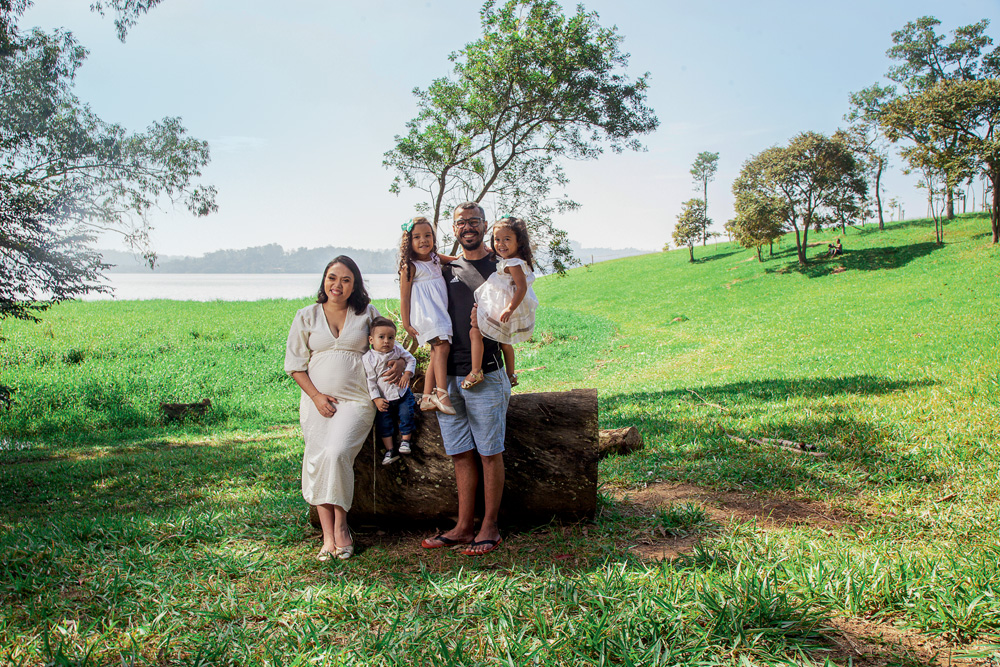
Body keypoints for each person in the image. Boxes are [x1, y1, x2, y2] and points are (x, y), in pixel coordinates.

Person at [285, 256, 404, 561]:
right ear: (324, 281)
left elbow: (392, 345)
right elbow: (295, 366)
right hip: (317, 402)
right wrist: (316, 397)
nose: (337, 285)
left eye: (346, 279)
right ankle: (327, 536)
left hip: (358, 400)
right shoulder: (306, 316)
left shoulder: (366, 314)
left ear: (355, 284)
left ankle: (341, 529)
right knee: (318, 458)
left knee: (337, 452)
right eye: (332, 278)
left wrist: (401, 362)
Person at [420, 202, 510, 556]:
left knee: (490, 453)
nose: (468, 227)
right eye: (461, 222)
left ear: (485, 226)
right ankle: (462, 526)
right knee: (460, 454)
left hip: (485, 373)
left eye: (474, 221)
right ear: (454, 229)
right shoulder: (445, 269)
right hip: (449, 378)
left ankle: (489, 526)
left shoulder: (500, 266)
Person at [462, 216, 538, 390]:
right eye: (497, 239)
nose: (501, 244)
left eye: (507, 239)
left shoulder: (514, 263)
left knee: (475, 332)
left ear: (519, 242)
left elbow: (522, 287)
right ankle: (511, 375)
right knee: (505, 342)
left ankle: (475, 371)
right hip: (504, 304)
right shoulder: (512, 259)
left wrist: (509, 308)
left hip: (504, 306)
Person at [398, 216, 457, 415]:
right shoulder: (410, 266)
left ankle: (425, 398)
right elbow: (404, 298)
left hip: (439, 312)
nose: (423, 240)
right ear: (409, 242)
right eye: (417, 237)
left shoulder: (434, 258)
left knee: (436, 352)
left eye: (427, 235)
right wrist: (406, 324)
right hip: (425, 315)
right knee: (443, 346)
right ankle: (441, 393)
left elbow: (457, 260)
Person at [362, 316, 417, 466]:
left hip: (402, 393)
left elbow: (411, 360)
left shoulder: (397, 349)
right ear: (371, 340)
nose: (386, 341)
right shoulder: (369, 358)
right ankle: (390, 450)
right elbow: (370, 381)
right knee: (383, 422)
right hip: (384, 396)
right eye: (381, 337)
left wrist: (407, 373)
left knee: (407, 413)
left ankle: (406, 441)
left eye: (391, 337)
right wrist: (376, 399)